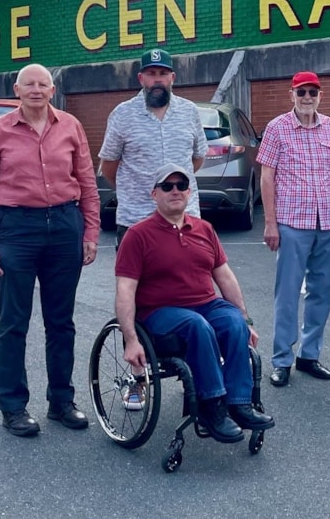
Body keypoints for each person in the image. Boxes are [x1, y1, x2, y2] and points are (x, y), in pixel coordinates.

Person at [0, 63, 100, 437]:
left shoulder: (71, 126)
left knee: (61, 322)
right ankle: (13, 405)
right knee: (14, 322)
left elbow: (87, 183)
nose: (36, 90)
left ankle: (61, 401)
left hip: (63, 225)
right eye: (29, 84)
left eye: (43, 84)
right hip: (16, 230)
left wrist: (90, 231)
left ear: (52, 90)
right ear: (17, 89)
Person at [115, 163, 275, 443]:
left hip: (204, 305)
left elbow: (225, 278)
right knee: (197, 325)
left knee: (233, 320)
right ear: (154, 194)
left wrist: (246, 320)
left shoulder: (204, 229)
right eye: (167, 186)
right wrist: (130, 339)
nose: (175, 191)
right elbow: (126, 290)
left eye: (181, 186)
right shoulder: (138, 235)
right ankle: (211, 406)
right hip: (159, 314)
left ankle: (239, 403)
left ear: (189, 192)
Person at [257, 71, 330, 387]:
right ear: (291, 94)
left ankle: (309, 355)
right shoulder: (277, 128)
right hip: (293, 222)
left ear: (320, 96)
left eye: (313, 92)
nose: (307, 98)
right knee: (288, 292)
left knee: (321, 292)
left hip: (328, 223)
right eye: (302, 92)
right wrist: (270, 223)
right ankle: (282, 360)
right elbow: (267, 176)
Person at [99, 48, 207, 246]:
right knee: (134, 278)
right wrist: (135, 189)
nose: (158, 80)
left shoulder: (189, 112)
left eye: (163, 73)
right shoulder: (122, 115)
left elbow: (197, 159)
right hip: (136, 220)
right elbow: (108, 167)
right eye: (151, 74)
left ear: (172, 77)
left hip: (184, 219)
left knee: (186, 277)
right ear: (141, 78)